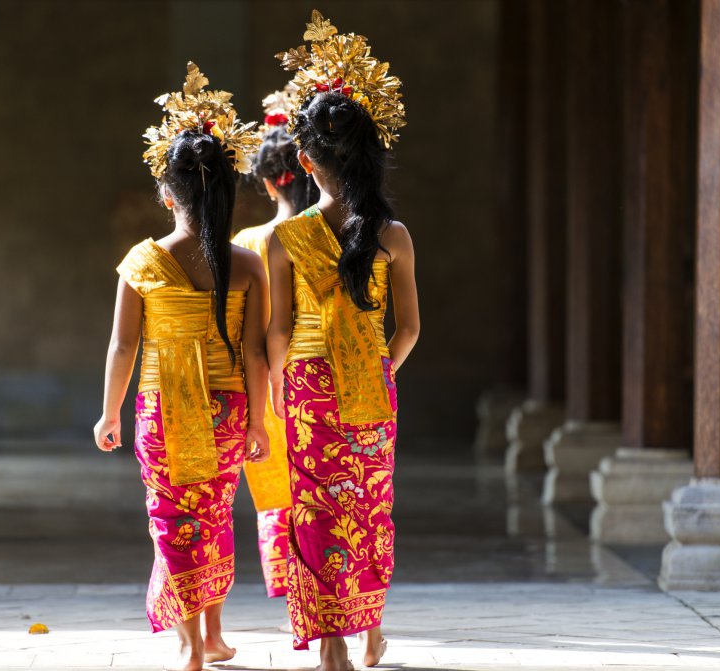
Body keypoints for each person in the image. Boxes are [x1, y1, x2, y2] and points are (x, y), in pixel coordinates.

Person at [93, 62, 268, 671]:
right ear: (226, 194)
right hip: (227, 407)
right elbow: (254, 353)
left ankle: (192, 644)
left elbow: (122, 347)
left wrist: (109, 411)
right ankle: (213, 634)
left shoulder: (140, 262)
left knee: (174, 518)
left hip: (161, 406)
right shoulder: (246, 265)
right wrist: (259, 423)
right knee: (214, 514)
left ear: (166, 194)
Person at [267, 12, 420, 671]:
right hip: (371, 390)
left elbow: (275, 326)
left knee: (315, 510)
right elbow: (409, 327)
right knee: (367, 511)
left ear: (305, 160)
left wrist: (277, 384)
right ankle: (368, 630)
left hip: (304, 389)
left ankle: (332, 645)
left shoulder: (284, 238)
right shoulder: (395, 235)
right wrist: (383, 369)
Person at [232, 87, 319, 602]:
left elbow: (248, 333)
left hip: (265, 385)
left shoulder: (248, 244)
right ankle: (341, 600)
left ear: (267, 182)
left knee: (277, 496)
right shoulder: (332, 236)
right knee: (333, 491)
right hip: (325, 377)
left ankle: (298, 602)